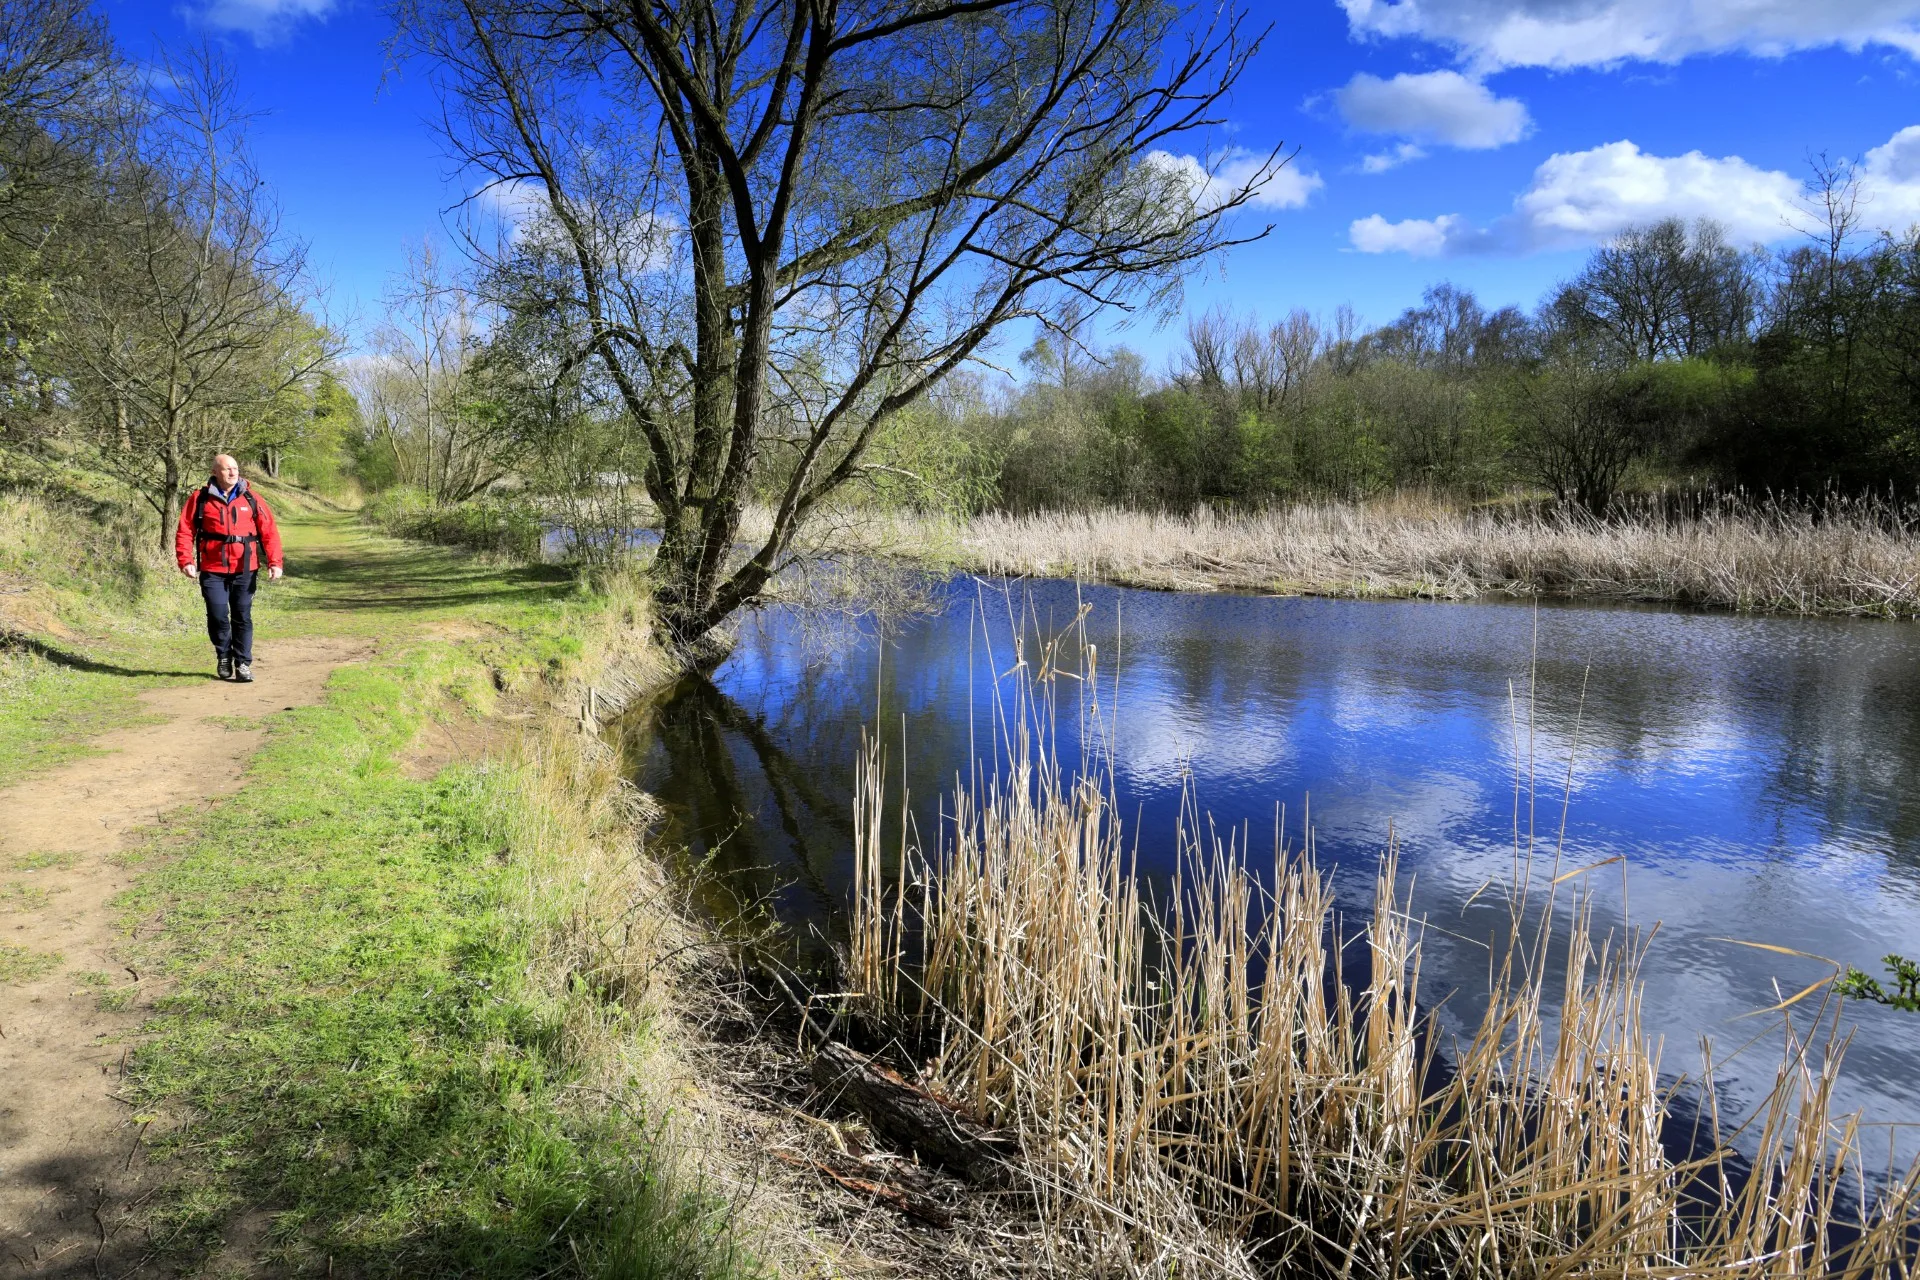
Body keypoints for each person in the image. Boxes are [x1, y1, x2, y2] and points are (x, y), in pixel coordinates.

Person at [175, 453, 283, 682]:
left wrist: (275, 562)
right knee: (217, 615)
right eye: (227, 469)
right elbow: (185, 530)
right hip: (212, 569)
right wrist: (186, 560)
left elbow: (269, 531)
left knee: (242, 616)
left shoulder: (252, 498)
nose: (233, 472)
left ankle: (243, 663)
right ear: (215, 472)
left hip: (245, 569)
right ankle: (223, 655)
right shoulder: (199, 499)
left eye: (235, 468)